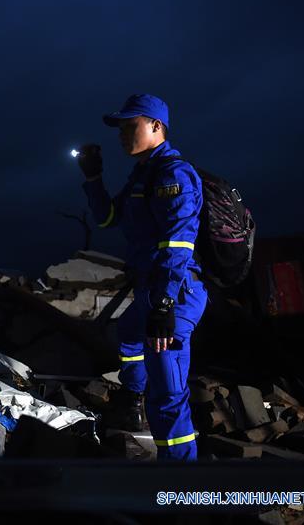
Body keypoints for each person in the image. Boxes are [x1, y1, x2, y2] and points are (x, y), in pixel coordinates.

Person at [76, 93, 207, 461]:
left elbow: (178, 243)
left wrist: (164, 303)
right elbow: (107, 218)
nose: (121, 135)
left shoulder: (172, 174)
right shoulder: (142, 175)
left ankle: (182, 491)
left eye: (128, 126)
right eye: (119, 128)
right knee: (129, 333)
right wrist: (93, 177)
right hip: (153, 291)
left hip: (176, 293)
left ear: (155, 126)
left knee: (168, 396)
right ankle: (134, 401)